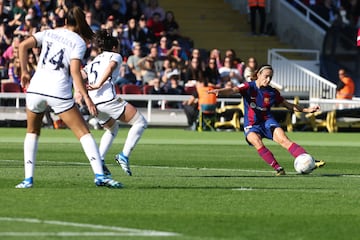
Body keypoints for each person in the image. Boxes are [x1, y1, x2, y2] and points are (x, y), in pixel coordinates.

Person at [16, 6, 123, 188]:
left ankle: (28, 179)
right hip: (58, 90)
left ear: (65, 21)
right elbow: (74, 71)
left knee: (32, 132)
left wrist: (25, 71)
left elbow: (22, 46)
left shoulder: (48, 33)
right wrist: (85, 96)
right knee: (84, 133)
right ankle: (99, 175)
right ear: (81, 23)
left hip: (35, 88)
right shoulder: (78, 42)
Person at [208, 64, 326, 175]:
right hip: (251, 124)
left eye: (270, 77)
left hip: (267, 121)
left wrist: (307, 110)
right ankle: (278, 168)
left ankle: (310, 160)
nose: (268, 80)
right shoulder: (249, 86)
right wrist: (220, 91)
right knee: (257, 142)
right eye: (266, 76)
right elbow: (233, 90)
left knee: (284, 140)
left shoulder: (272, 92)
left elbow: (287, 105)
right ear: (258, 75)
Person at [81, 29, 147, 177]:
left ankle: (100, 159)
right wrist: (98, 84)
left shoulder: (94, 60)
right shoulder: (116, 56)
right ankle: (124, 155)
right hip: (107, 98)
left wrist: (80, 92)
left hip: (93, 102)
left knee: (112, 129)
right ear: (114, 47)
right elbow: (110, 67)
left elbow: (79, 75)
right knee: (140, 122)